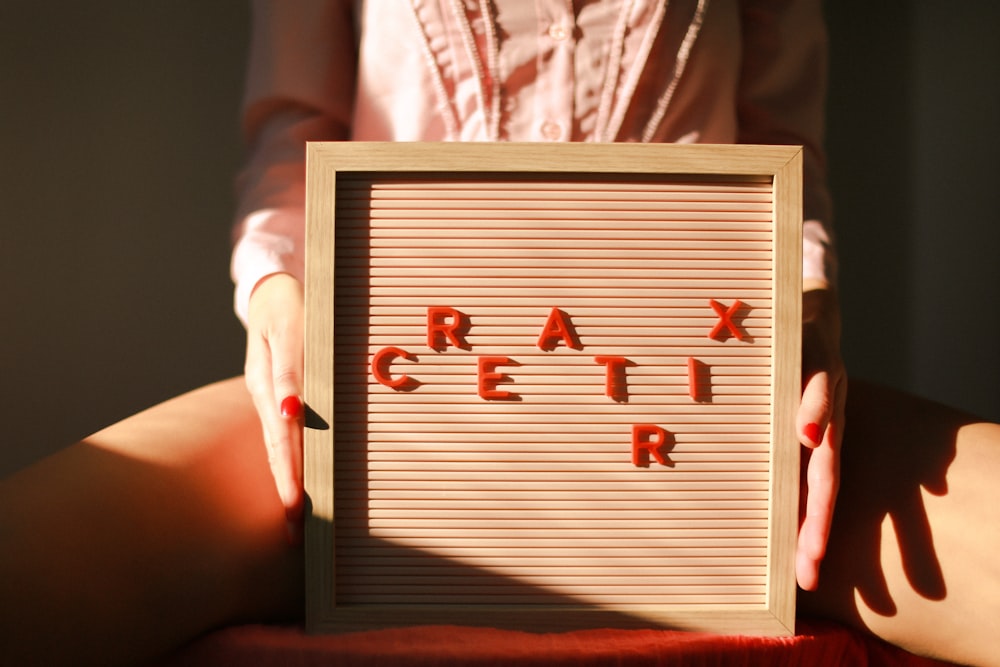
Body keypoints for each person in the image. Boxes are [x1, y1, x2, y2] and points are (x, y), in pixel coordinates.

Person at [1, 2, 997, 666]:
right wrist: (277, 294)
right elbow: (289, 138)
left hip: (699, 404)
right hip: (394, 401)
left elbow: (787, 149)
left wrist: (806, 304)